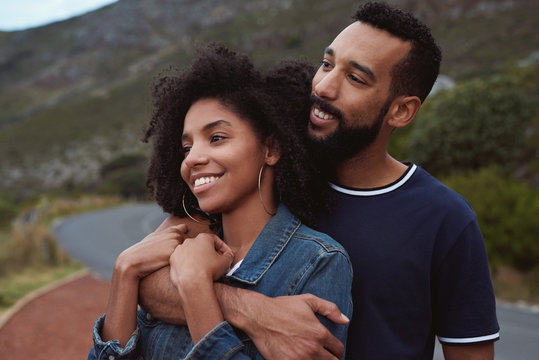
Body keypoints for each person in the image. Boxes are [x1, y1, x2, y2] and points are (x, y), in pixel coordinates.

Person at [139, 2, 500, 359]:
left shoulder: (445, 217)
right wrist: (255, 312)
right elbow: (153, 283)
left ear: (401, 110)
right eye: (327, 64)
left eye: (355, 78)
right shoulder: (267, 173)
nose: (325, 86)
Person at [88, 44, 352, 360]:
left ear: (271, 149)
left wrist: (195, 285)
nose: (193, 159)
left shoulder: (317, 261)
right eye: (186, 148)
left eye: (216, 138)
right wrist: (125, 270)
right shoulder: (173, 252)